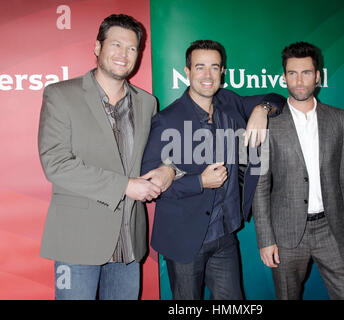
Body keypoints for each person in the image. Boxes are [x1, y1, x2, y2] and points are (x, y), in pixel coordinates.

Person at [38, 14, 175, 300]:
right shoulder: (61, 95)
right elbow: (56, 163)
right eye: (115, 44)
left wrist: (169, 170)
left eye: (132, 48)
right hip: (77, 241)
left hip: (128, 242)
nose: (123, 54)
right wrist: (125, 186)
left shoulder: (147, 102)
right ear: (98, 48)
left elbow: (158, 155)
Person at [140, 40, 285, 300]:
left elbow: (277, 99)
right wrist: (199, 182)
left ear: (222, 72)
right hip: (184, 239)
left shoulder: (229, 102)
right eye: (200, 67)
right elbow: (149, 184)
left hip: (224, 236)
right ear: (187, 72)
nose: (207, 75)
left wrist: (262, 111)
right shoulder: (166, 120)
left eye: (214, 67)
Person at [252, 42, 344, 300]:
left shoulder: (338, 118)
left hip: (332, 228)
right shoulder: (269, 123)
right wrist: (265, 238)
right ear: (283, 78)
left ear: (317, 76)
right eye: (292, 73)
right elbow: (260, 185)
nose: (299, 80)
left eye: (306, 72)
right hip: (286, 234)